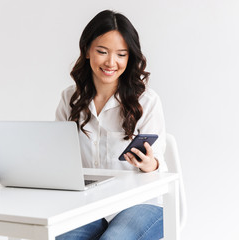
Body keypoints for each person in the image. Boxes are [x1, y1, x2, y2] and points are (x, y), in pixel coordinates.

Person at [55, 10, 167, 240]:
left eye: (121, 54)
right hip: (87, 207)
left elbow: (159, 169)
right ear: (87, 50)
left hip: (139, 205)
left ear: (130, 58)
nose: (111, 62)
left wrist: (150, 164)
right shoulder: (70, 99)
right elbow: (56, 156)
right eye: (102, 52)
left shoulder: (146, 101)